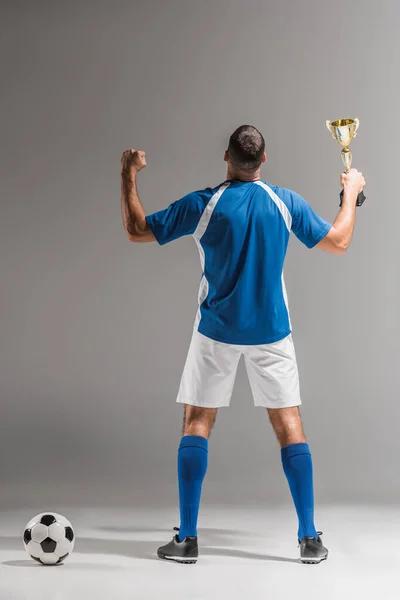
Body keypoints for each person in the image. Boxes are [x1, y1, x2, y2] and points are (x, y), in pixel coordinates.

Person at [120, 125, 366, 565]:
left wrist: (128, 174)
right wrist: (350, 194)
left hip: (216, 330)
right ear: (264, 159)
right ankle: (310, 539)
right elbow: (340, 241)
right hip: (271, 332)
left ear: (226, 157)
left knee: (197, 421)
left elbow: (137, 230)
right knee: (289, 425)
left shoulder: (204, 204)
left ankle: (188, 540)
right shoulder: (284, 202)